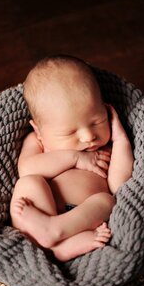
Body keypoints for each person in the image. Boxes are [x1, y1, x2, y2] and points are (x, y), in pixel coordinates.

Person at [10, 55, 134, 262]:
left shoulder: (108, 146)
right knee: (29, 183)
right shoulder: (39, 142)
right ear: (39, 131)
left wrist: (121, 140)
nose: (88, 136)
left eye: (97, 121)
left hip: (82, 220)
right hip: (39, 214)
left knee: (107, 201)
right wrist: (75, 158)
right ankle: (53, 241)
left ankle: (58, 238)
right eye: (69, 132)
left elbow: (119, 184)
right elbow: (27, 169)